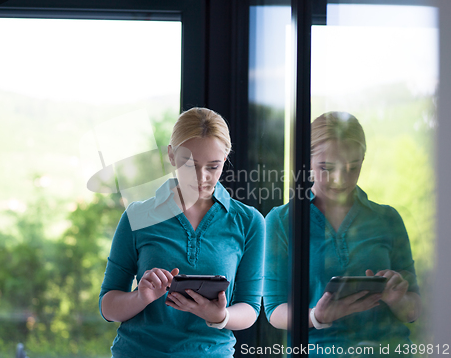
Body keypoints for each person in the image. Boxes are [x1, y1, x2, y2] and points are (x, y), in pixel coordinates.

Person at [99, 107, 265, 358]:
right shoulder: (137, 216)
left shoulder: (249, 222)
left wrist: (220, 316)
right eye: (190, 164)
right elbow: (108, 306)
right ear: (171, 155)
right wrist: (141, 297)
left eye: (213, 166)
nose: (202, 177)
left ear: (225, 158)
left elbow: (250, 308)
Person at [264, 111, 421, 356]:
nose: (340, 179)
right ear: (307, 160)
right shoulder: (282, 221)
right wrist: (317, 316)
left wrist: (397, 299)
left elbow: (413, 310)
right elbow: (274, 311)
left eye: (353, 168)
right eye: (327, 168)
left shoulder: (387, 219)